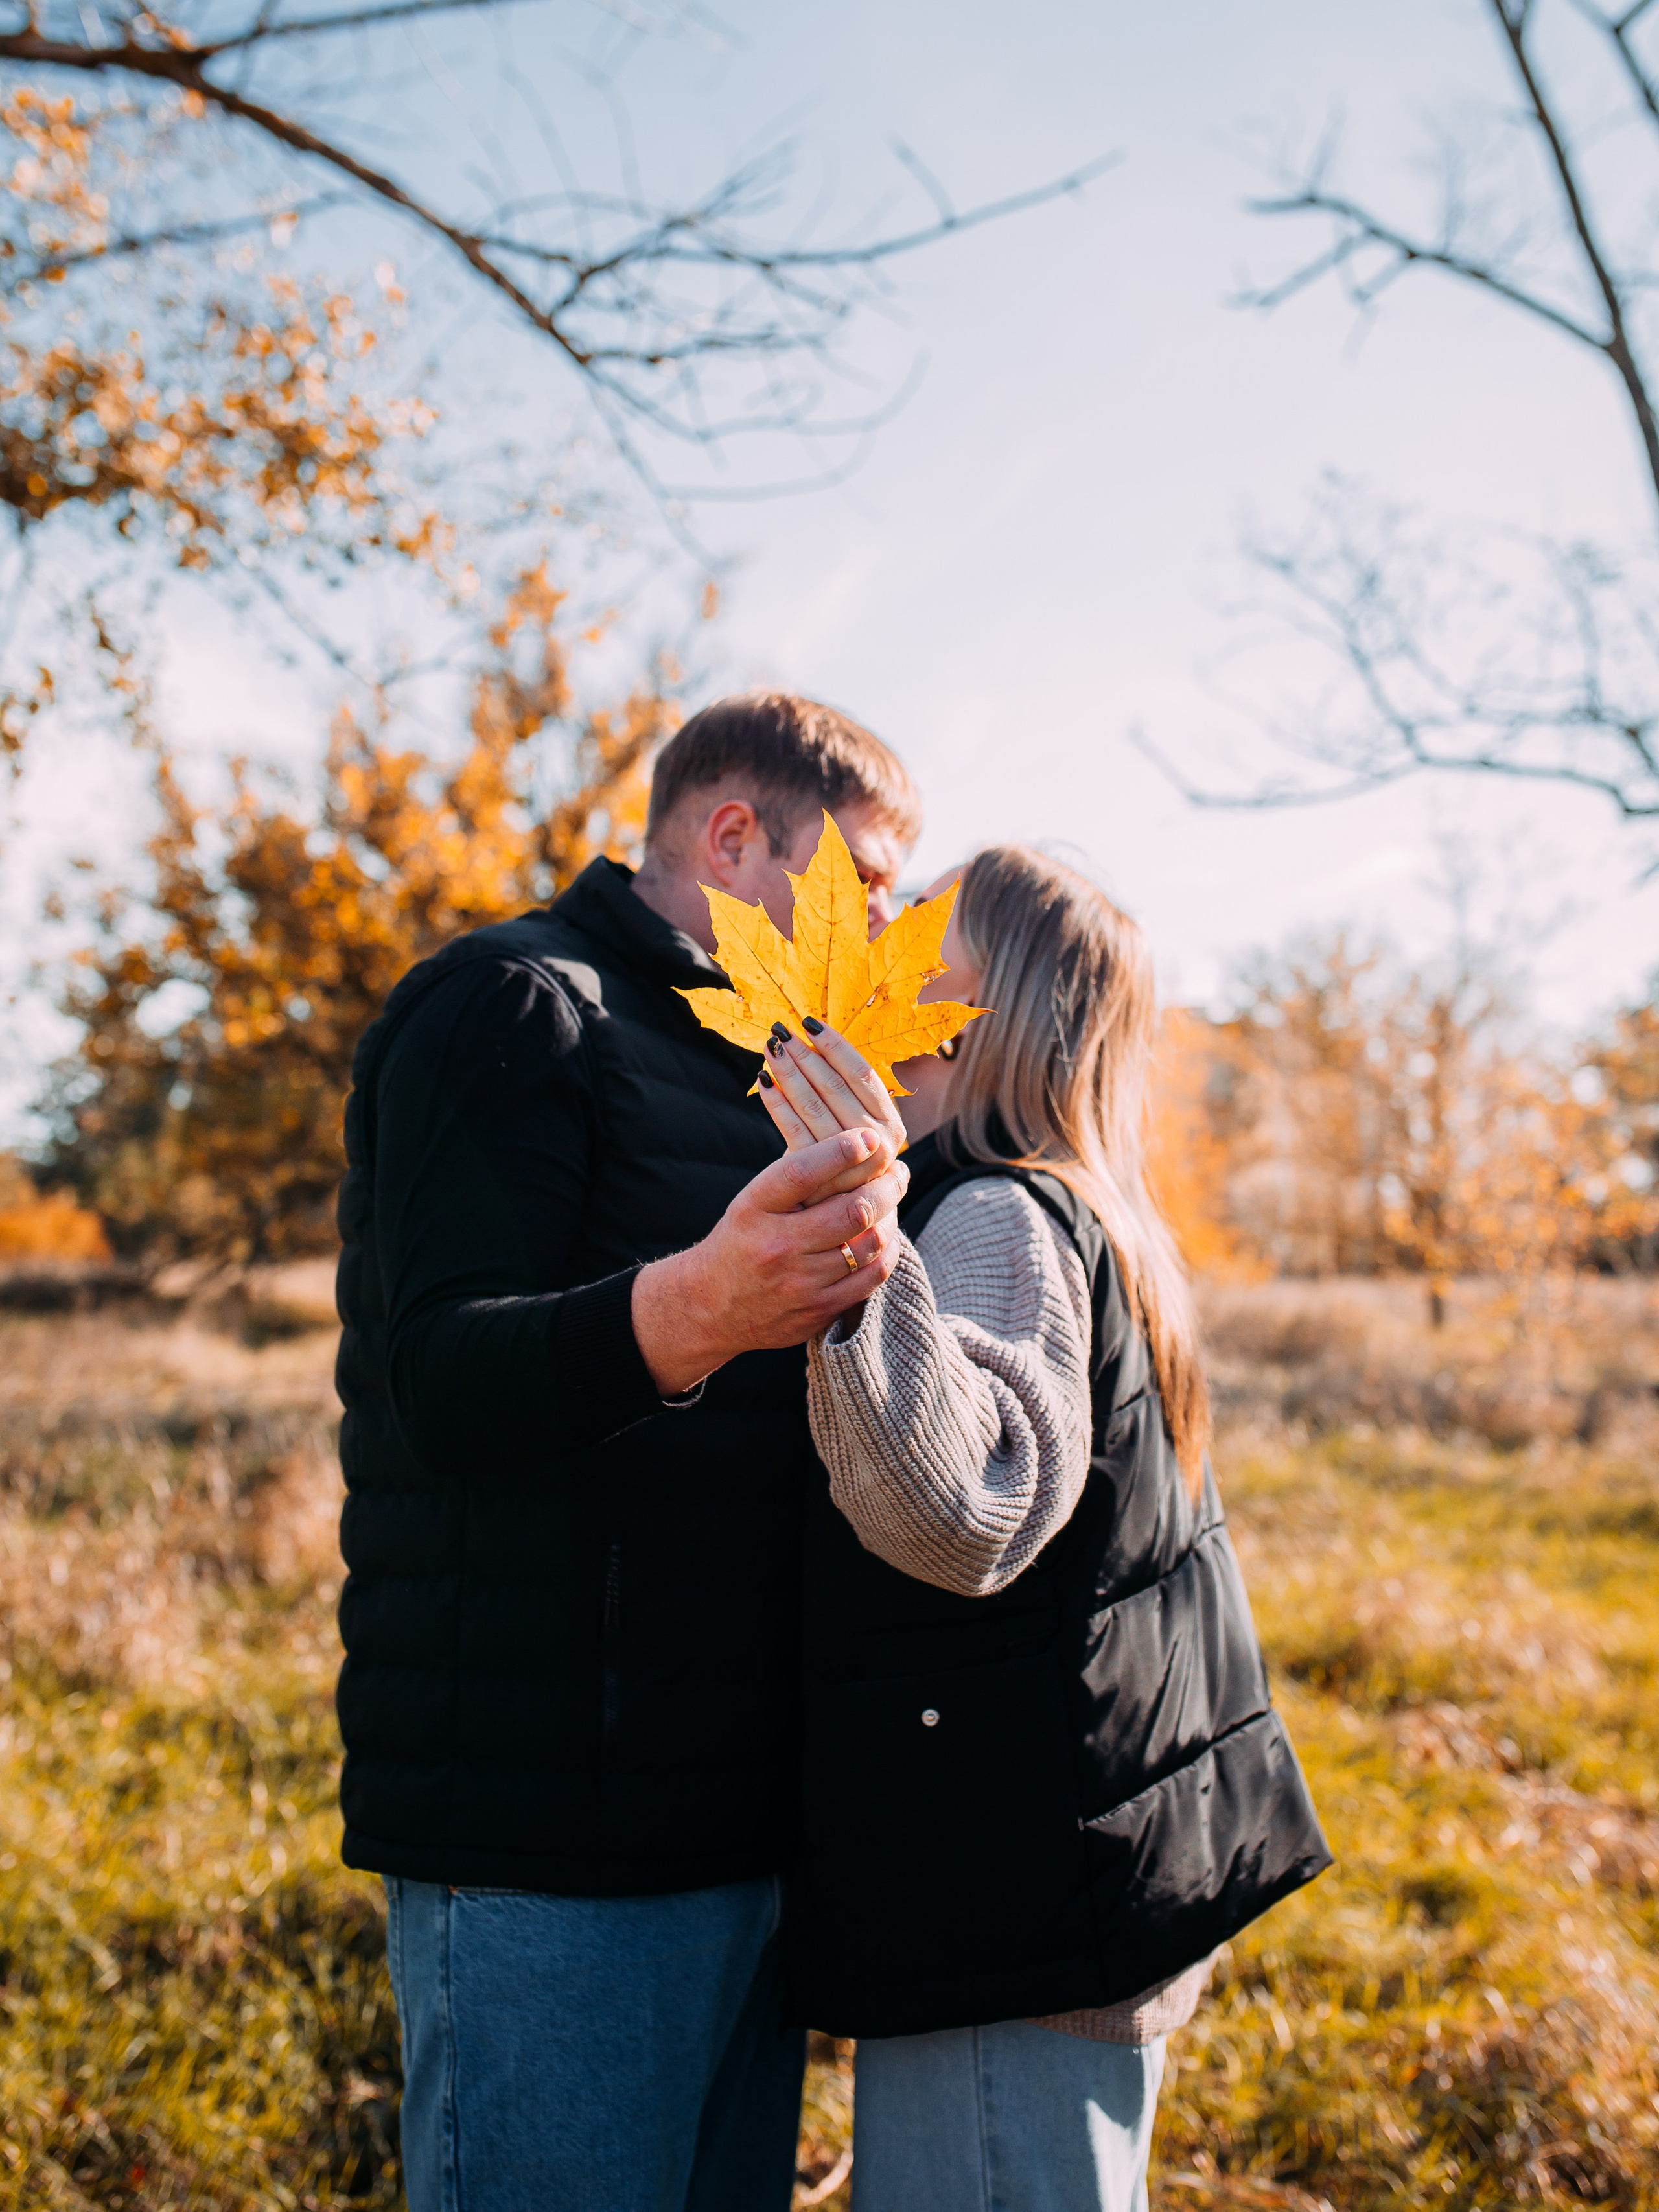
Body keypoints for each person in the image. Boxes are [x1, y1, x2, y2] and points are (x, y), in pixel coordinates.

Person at [332, 693, 922, 2212]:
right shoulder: (514, 1002)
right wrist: (699, 1309)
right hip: (551, 1849)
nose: (886, 926)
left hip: (743, 1829)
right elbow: (441, 1380)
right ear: (733, 835)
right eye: (862, 883)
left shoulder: (773, 1071)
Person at [754, 844, 1332, 2212]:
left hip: (1004, 1909)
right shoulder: (1081, 1199)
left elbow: (961, 1513)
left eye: (918, 931)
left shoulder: (998, 1214)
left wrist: (852, 1226)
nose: (878, 940)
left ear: (980, 999)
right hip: (1075, 1881)